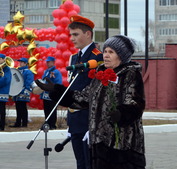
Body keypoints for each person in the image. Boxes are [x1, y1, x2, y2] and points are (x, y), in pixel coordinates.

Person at [36, 35, 146, 169]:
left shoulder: (130, 74)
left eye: (111, 52)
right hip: (100, 142)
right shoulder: (101, 74)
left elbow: (135, 103)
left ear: (122, 56)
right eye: (105, 51)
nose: (106, 55)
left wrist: (121, 114)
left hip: (123, 144)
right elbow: (84, 98)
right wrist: (57, 90)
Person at [64, 15, 103, 169]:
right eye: (70, 35)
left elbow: (100, 92)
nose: (72, 38)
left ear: (88, 34)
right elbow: (72, 89)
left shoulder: (98, 58)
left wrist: (94, 125)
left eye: (76, 34)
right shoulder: (73, 59)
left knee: (90, 163)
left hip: (89, 119)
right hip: (75, 119)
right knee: (80, 163)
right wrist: (70, 121)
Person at [10, 58, 34, 128]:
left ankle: (24, 123)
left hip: (23, 92)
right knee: (18, 107)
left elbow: (29, 82)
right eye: (20, 62)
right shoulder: (18, 71)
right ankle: (18, 122)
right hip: (17, 92)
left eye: (22, 62)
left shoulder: (28, 72)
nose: (20, 63)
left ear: (25, 63)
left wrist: (25, 89)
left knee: (23, 107)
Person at [40, 56, 62, 130]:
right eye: (47, 62)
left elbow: (58, 83)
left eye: (49, 62)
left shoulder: (56, 72)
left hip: (52, 93)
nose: (47, 63)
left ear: (53, 62)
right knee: (46, 109)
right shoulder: (46, 72)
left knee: (52, 109)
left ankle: (52, 124)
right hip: (45, 94)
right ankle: (47, 123)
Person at [0, 54, 12, 131]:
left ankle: (2, 126)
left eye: (0, 59)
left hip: (3, 92)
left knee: (1, 110)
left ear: (4, 59)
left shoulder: (7, 69)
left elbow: (6, 80)